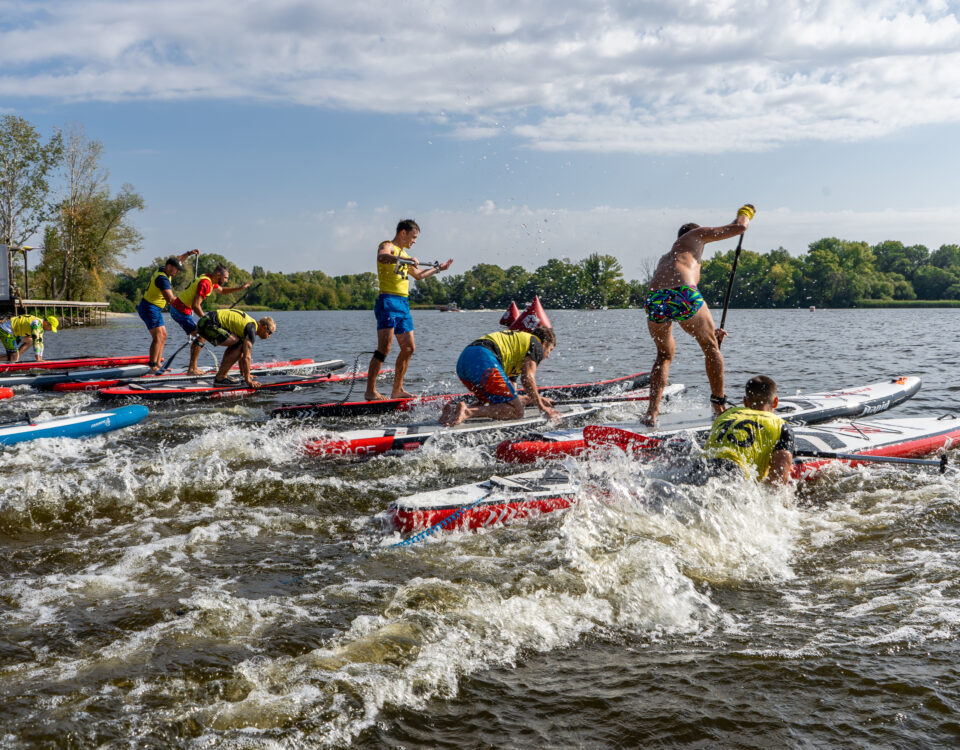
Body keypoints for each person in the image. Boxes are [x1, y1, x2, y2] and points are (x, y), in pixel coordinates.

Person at [642, 204, 755, 426]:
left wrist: (710, 331)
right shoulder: (695, 234)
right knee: (711, 348)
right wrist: (747, 212)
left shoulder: (668, 257)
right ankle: (719, 406)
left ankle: (651, 414)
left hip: (654, 299)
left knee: (664, 355)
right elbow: (740, 227)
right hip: (683, 294)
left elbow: (675, 298)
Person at [365, 219, 453, 400]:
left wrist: (438, 269)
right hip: (387, 301)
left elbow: (419, 275)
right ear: (403, 233)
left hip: (403, 304)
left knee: (409, 348)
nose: (414, 241)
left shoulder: (404, 254)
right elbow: (382, 257)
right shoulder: (387, 246)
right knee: (384, 349)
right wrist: (403, 259)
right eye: (413, 237)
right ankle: (370, 391)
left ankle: (397, 389)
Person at [439, 326, 559, 426]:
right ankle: (467, 412)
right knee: (517, 411)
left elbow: (511, 396)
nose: (548, 355)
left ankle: (452, 411)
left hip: (464, 361)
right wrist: (542, 407)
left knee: (496, 402)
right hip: (484, 358)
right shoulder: (536, 344)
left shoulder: (518, 348)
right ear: (544, 343)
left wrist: (533, 399)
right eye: (550, 349)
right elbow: (527, 378)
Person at [700, 375, 795, 485]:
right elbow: (777, 481)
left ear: (745, 401)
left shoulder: (726, 414)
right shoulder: (781, 427)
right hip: (735, 478)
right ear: (775, 402)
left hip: (700, 468)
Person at [169, 264, 252, 374]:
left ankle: (192, 368)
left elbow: (222, 291)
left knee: (202, 335)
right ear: (218, 275)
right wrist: (207, 320)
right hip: (180, 311)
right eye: (225, 277)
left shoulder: (208, 278)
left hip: (180, 309)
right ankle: (192, 369)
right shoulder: (206, 283)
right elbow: (196, 305)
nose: (226, 280)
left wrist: (240, 288)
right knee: (202, 334)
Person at [138, 250, 200, 372]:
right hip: (149, 308)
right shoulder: (162, 279)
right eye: (176, 269)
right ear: (169, 267)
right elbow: (171, 299)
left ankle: (158, 364)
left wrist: (189, 253)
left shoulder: (164, 268)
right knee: (158, 337)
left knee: (164, 335)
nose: (177, 272)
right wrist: (187, 302)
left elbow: (178, 259)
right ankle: (153, 366)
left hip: (154, 308)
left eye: (178, 269)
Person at [195, 309, 275, 387]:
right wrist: (248, 380)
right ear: (264, 327)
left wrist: (244, 373)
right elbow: (247, 357)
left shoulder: (250, 324)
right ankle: (221, 377)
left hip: (205, 321)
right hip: (209, 323)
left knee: (238, 343)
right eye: (270, 333)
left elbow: (242, 354)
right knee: (239, 344)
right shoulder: (251, 329)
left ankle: (222, 375)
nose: (269, 336)